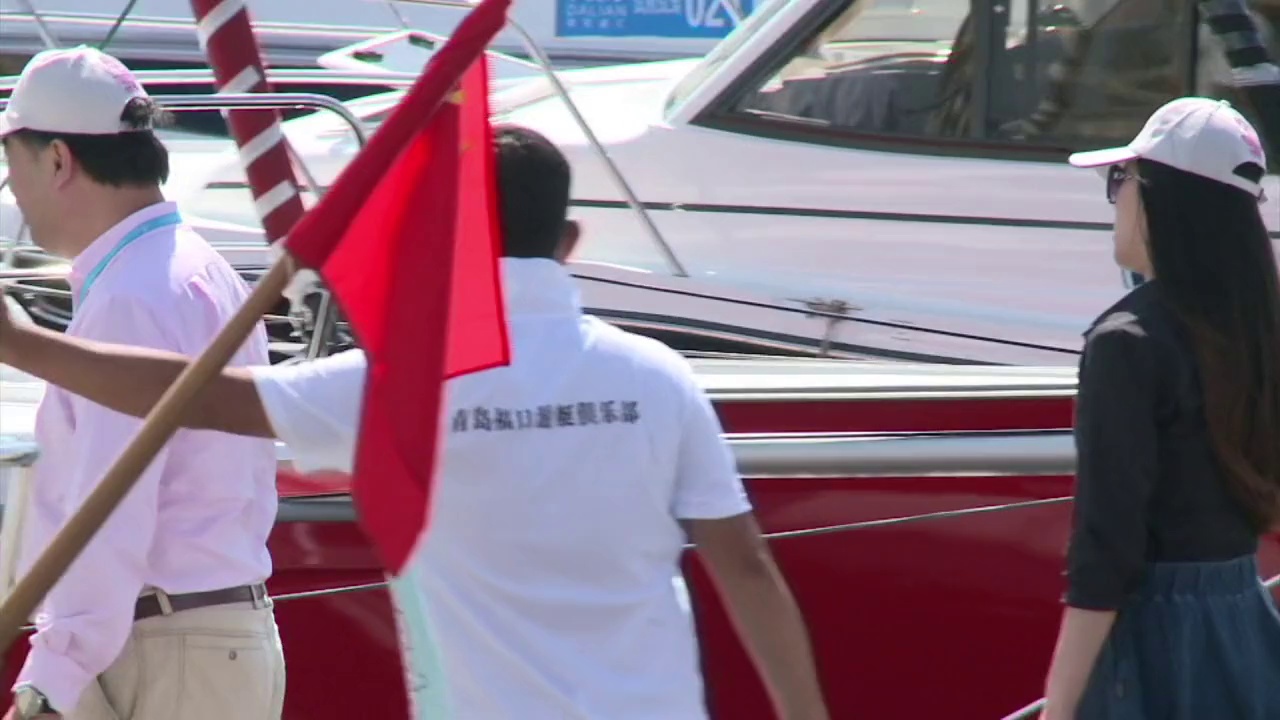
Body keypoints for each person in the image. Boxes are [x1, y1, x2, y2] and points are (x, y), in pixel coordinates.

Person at [0, 124, 831, 719]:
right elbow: (747, 567)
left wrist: (22, 343)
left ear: (445, 236)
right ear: (570, 239)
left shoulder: (400, 387)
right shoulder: (660, 378)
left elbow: (201, 396)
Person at [0, 47, 285, 720]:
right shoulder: (199, 270)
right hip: (208, 641)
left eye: (13, 164)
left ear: (58, 160)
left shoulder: (132, 295)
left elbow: (110, 510)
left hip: (164, 648)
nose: (12, 188)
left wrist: (51, 679)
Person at [1040, 96, 1280, 720]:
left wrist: (1059, 708)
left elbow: (1105, 552)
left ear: (1156, 196)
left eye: (1120, 179)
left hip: (1156, 650)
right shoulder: (1256, 330)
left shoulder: (1126, 343)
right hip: (1247, 630)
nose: (1114, 199)